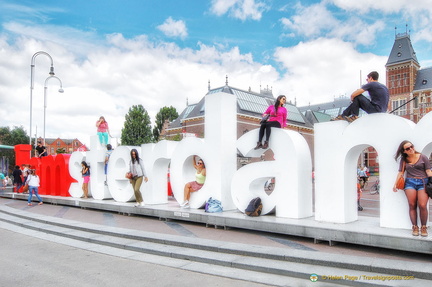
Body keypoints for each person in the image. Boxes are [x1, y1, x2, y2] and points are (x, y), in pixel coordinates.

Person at [393, 140, 432, 237]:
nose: (411, 149)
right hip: (410, 182)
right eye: (407, 148)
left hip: (423, 182)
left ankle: (423, 227)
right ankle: (415, 227)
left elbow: (428, 171)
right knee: (412, 204)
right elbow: (401, 172)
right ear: (404, 151)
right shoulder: (404, 159)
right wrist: (395, 184)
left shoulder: (423, 157)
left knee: (423, 205)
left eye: (411, 146)